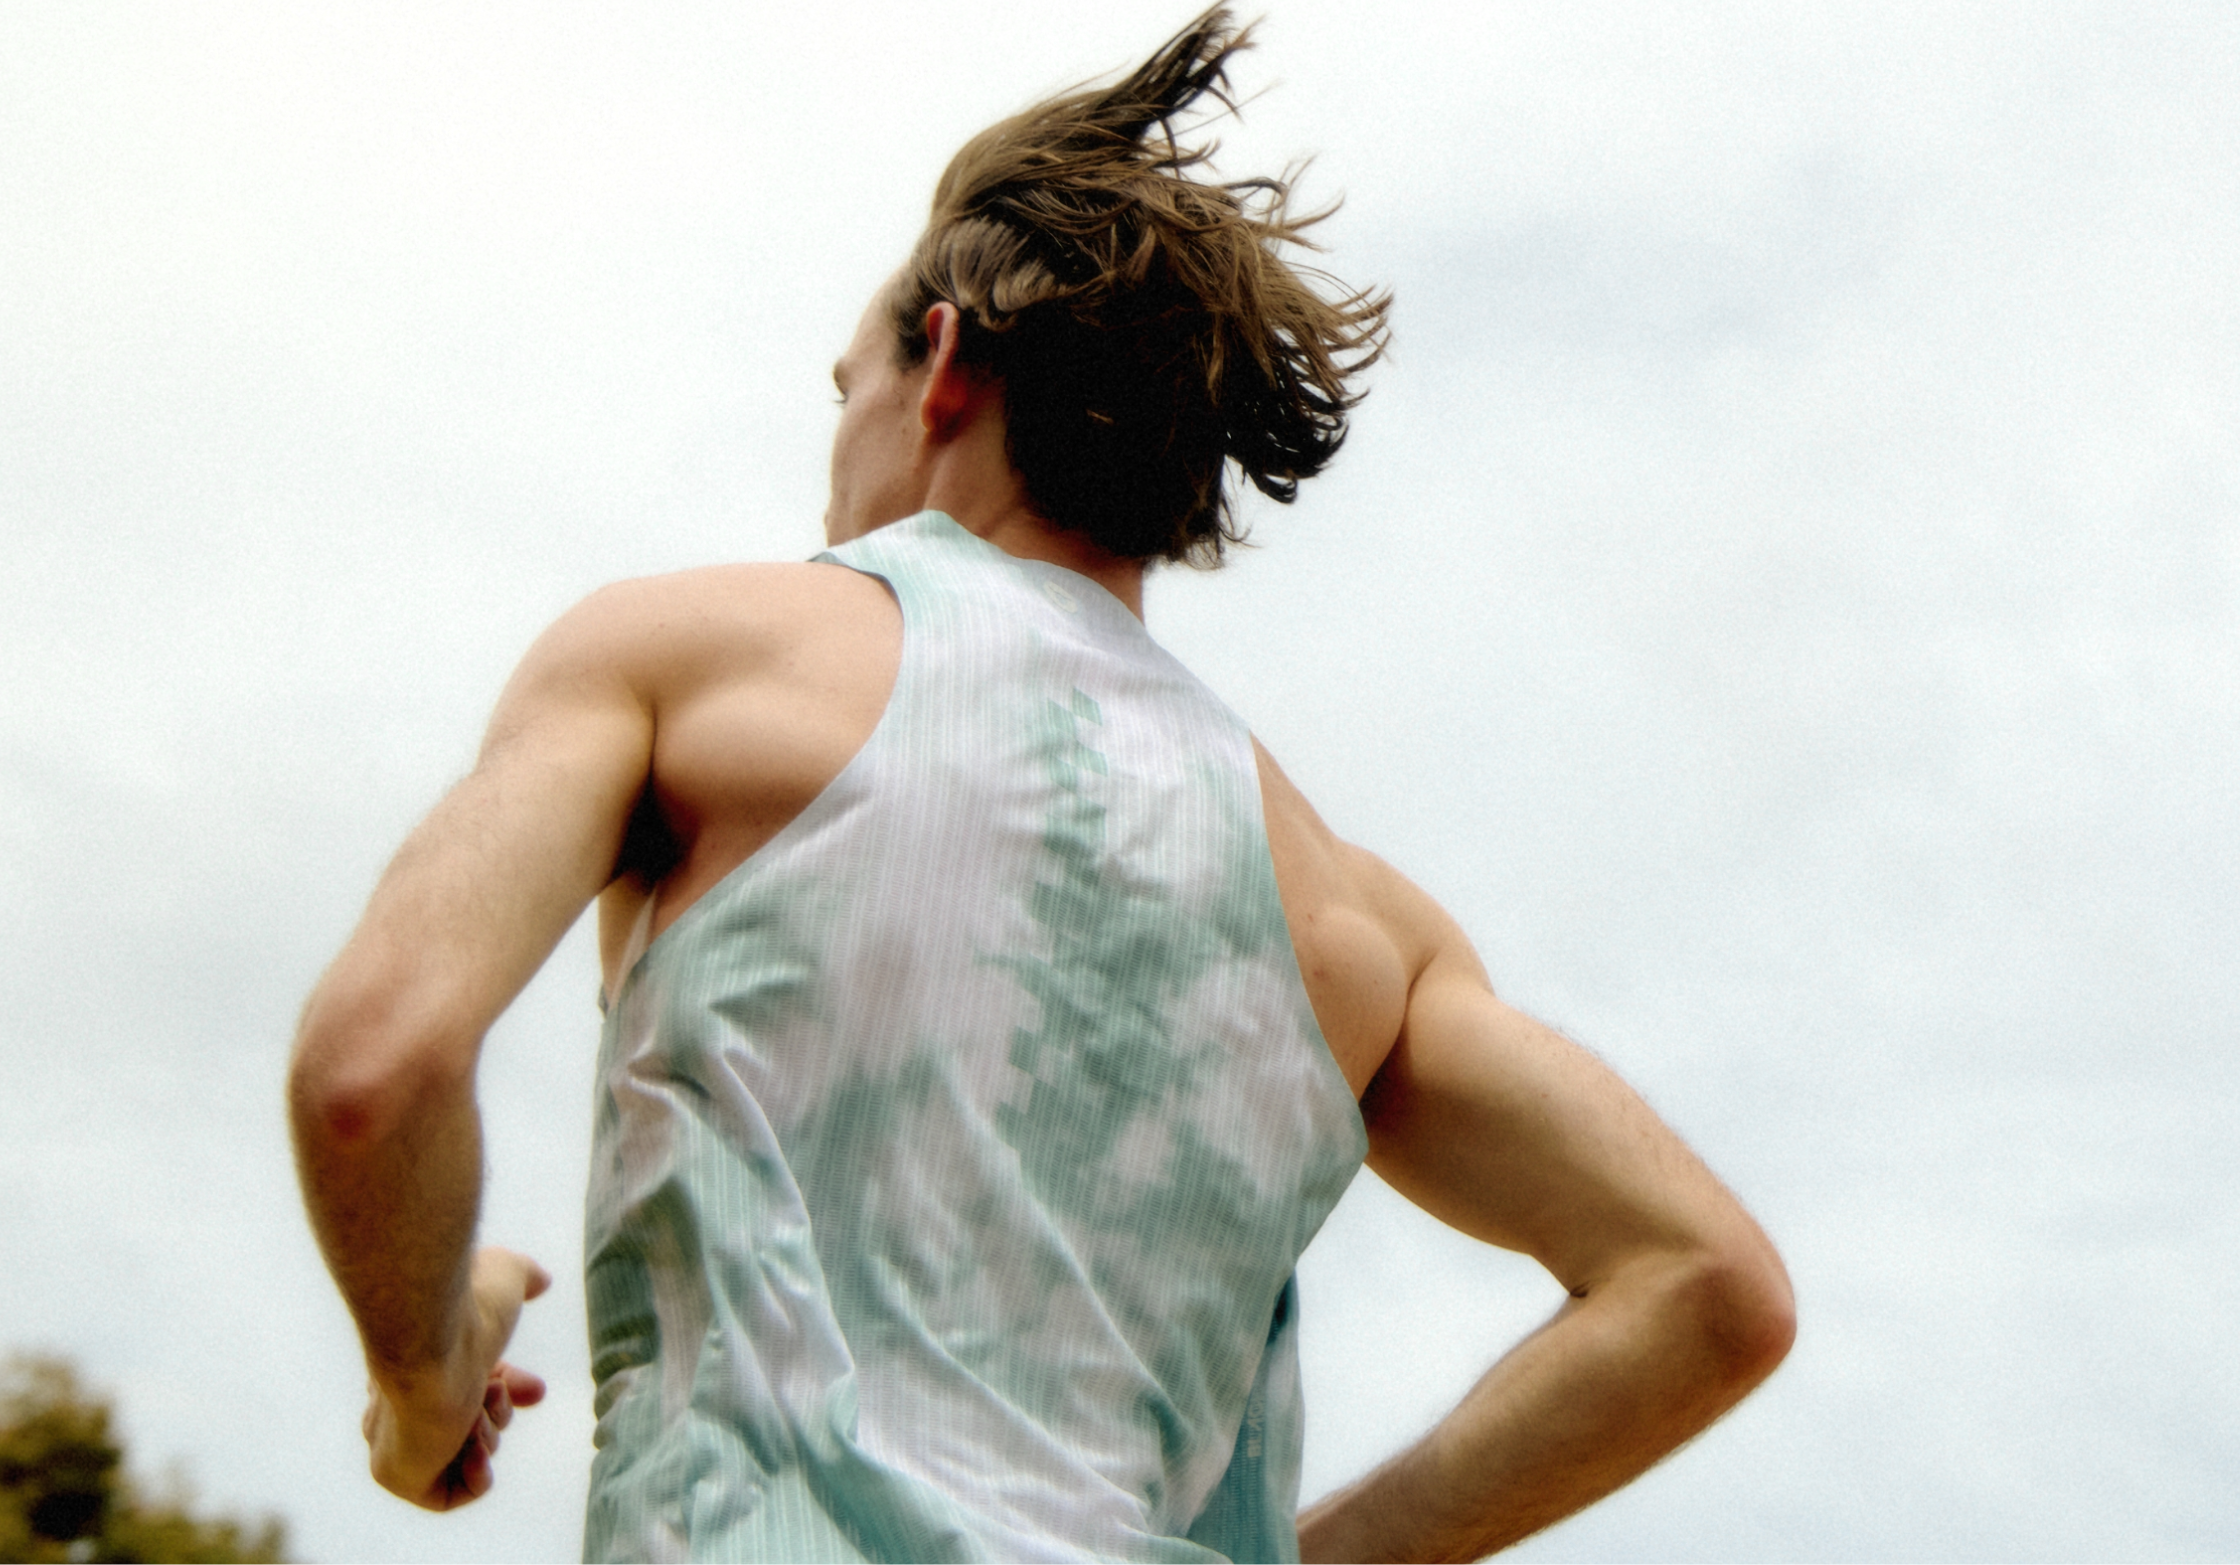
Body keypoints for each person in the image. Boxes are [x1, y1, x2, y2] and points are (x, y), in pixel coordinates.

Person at [286, 10, 1793, 1563]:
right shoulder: (1357, 922)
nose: (836, 451)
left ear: (942, 366)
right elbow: (1705, 1290)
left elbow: (372, 1070)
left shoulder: (695, 663)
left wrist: (421, 1379)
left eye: (844, 389)